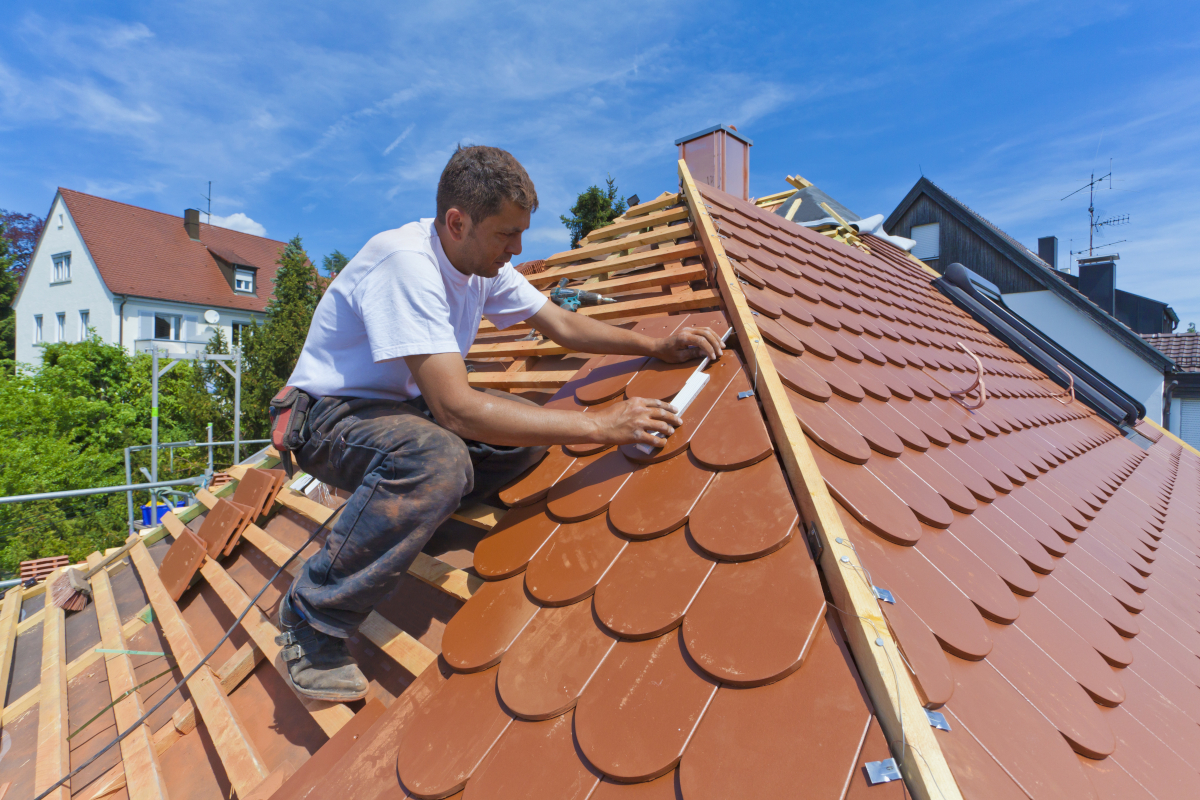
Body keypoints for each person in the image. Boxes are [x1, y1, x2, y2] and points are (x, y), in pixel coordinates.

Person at [275, 145, 723, 701]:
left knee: (524, 438)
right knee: (439, 460)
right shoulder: (405, 265)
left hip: (397, 410)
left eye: (521, 234)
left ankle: (419, 513)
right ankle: (312, 616)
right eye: (505, 235)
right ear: (457, 222)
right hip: (330, 417)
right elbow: (455, 410)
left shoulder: (478, 263)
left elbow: (560, 323)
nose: (516, 250)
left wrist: (655, 344)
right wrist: (603, 425)